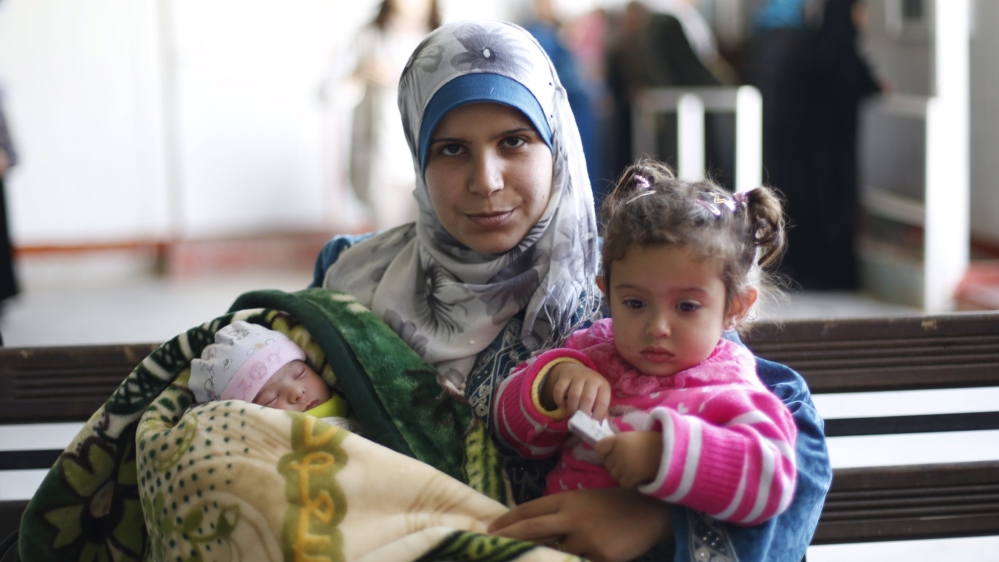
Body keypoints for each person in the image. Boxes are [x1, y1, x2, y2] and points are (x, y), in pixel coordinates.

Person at [312, 20, 830, 562]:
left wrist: (657, 523)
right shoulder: (356, 272)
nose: (485, 180)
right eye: (450, 150)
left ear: (556, 139)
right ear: (416, 152)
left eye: (514, 141)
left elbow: (798, 456)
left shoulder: (637, 274)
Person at [492, 160, 797, 527]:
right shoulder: (592, 352)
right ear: (607, 293)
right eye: (635, 303)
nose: (657, 327)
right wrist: (553, 381)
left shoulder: (730, 388)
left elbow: (773, 481)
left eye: (686, 306)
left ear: (734, 307)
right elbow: (509, 432)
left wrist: (663, 454)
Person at [330, 0, 440, 230]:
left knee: (432, 243)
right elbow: (328, 93)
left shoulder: (441, 40)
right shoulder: (367, 38)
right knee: (392, 243)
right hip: (383, 167)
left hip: (430, 162)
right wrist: (359, 74)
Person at [189, 320, 355, 426]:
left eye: (299, 374)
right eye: (272, 398)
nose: (297, 392)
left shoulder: (356, 401)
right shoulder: (272, 436)